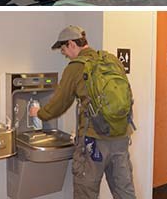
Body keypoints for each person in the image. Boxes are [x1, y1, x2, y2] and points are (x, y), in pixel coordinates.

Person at [29, 25, 137, 199]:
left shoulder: (76, 67)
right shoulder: (110, 59)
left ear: (72, 44)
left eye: (64, 49)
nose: (64, 54)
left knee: (85, 191)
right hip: (121, 136)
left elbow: (60, 103)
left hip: (94, 141)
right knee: (124, 190)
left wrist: (39, 113)